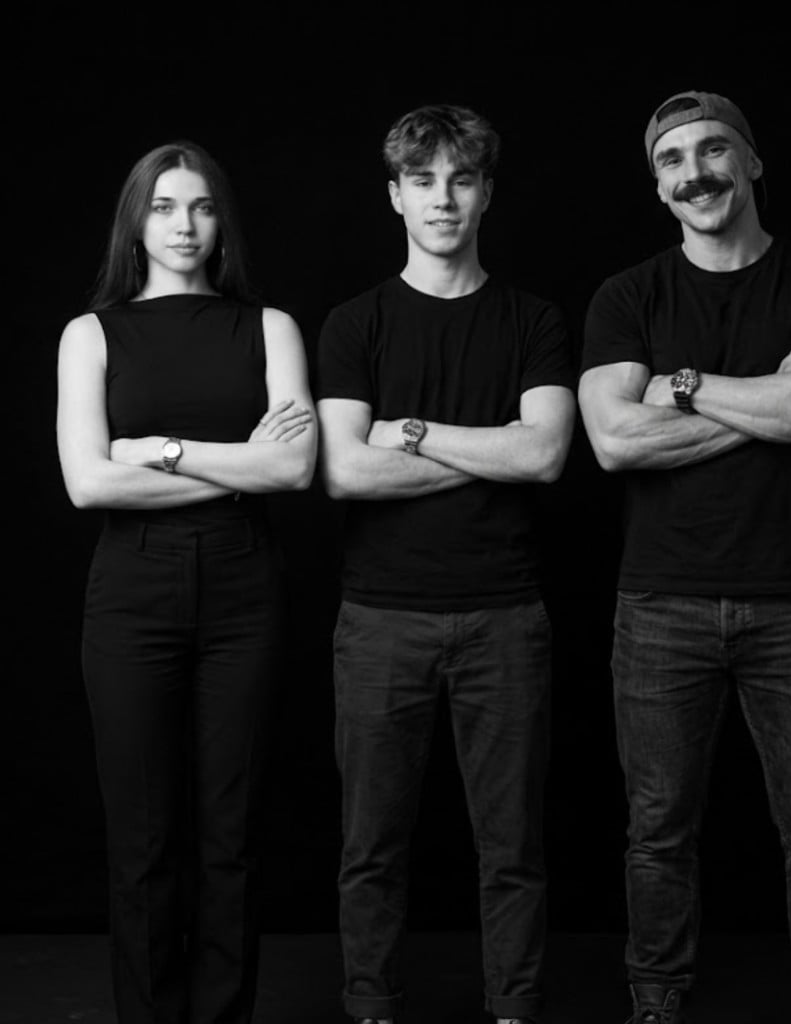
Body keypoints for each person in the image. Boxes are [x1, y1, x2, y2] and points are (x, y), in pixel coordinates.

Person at [578, 91, 791, 1024]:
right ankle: (655, 1003)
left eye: (713, 151)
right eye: (670, 160)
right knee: (656, 833)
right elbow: (613, 443)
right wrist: (766, 401)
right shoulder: (628, 296)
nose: (693, 172)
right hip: (659, 604)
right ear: (659, 187)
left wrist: (685, 388)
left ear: (751, 164)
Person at [316, 104, 575, 1024]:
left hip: (505, 616)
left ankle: (513, 1009)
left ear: (486, 193)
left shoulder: (533, 320)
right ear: (395, 197)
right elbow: (345, 469)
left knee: (510, 846)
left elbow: (544, 458)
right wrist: (486, 448)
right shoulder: (356, 323)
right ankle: (371, 1008)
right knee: (371, 846)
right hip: (380, 619)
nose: (442, 198)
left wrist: (415, 434)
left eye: (460, 179)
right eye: (422, 181)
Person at [56, 140, 316, 1023]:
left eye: (201, 207)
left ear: (221, 222)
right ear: (137, 220)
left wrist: (159, 451)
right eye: (164, 207)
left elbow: (292, 474)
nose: (184, 225)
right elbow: (89, 483)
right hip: (131, 593)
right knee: (142, 838)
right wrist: (241, 460)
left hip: (244, 588)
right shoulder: (91, 334)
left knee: (230, 835)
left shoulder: (268, 327)